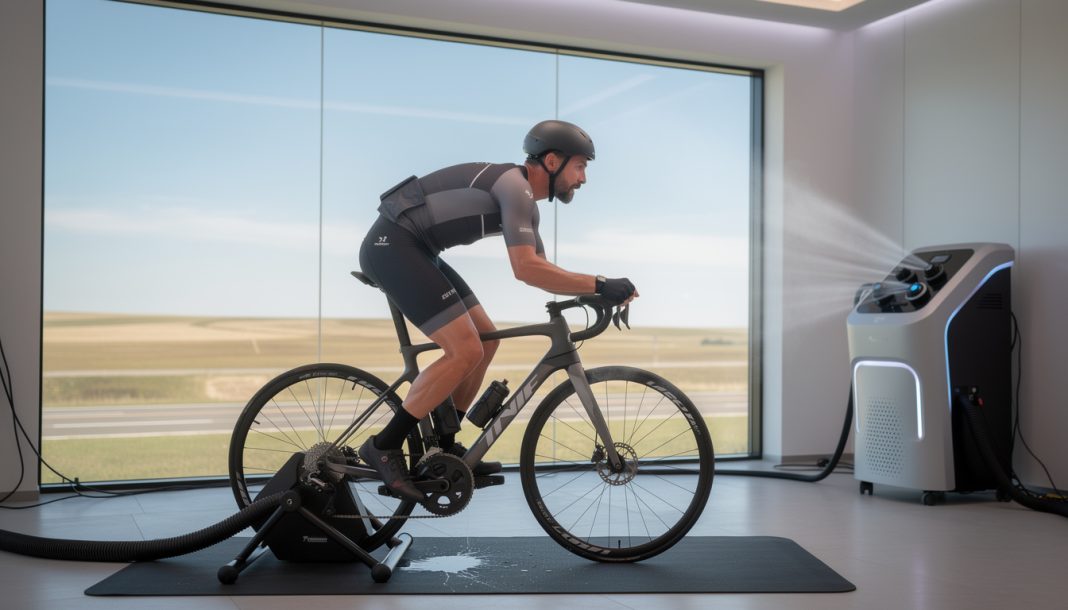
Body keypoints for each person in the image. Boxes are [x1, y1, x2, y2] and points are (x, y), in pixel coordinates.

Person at [357, 120, 638, 502]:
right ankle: (384, 445)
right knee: (465, 349)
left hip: (418, 249)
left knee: (486, 342)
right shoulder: (514, 187)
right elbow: (526, 269)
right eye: (580, 166)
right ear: (552, 161)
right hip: (392, 245)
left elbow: (543, 272)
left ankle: (443, 449)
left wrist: (597, 292)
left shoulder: (526, 204)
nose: (583, 178)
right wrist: (601, 284)